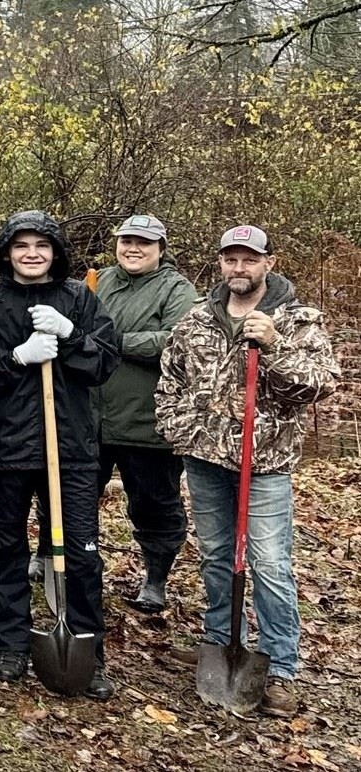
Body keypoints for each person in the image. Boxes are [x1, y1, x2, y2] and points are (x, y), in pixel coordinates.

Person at [157, 225, 337, 717]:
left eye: (250, 260)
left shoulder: (298, 319)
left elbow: (323, 384)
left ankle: (280, 667)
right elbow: (169, 380)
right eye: (231, 259)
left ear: (268, 264)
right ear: (220, 264)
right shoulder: (197, 319)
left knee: (271, 566)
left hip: (265, 465)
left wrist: (276, 344)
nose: (240, 268)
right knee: (216, 556)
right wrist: (183, 427)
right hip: (207, 459)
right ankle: (222, 640)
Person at [0, 210, 121, 698]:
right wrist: (17, 357)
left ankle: (85, 649)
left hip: (70, 447)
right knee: (5, 547)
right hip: (6, 447)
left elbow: (104, 363)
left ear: (56, 252)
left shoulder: (79, 298)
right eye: (21, 245)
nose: (32, 254)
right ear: (6, 252)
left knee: (80, 553)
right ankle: (11, 643)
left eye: (41, 245)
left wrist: (70, 335)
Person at [92, 214, 197, 615]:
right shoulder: (99, 281)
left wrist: (111, 341)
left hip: (148, 424)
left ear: (160, 249)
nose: (133, 248)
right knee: (71, 498)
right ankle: (55, 558)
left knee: (154, 504)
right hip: (91, 420)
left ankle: (155, 577)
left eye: (144, 243)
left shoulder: (176, 289)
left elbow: (176, 340)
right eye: (126, 241)